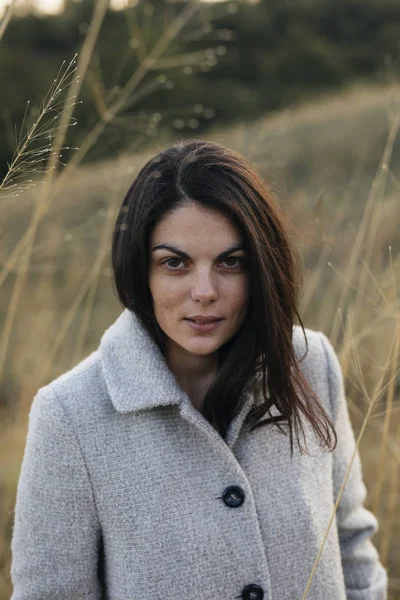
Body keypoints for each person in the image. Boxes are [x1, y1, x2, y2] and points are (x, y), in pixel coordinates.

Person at [10, 139, 388, 600]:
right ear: (139, 270)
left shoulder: (310, 365)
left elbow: (352, 549)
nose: (205, 291)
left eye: (230, 262)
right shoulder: (71, 416)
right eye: (175, 263)